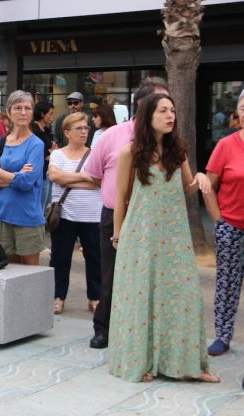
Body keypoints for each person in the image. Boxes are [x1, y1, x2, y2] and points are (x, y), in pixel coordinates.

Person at [109, 93, 218, 383]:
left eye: (172, 110)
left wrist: (203, 178)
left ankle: (188, 364)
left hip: (174, 237)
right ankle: (141, 362)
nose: (170, 115)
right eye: (163, 111)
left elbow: (187, 187)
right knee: (141, 297)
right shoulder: (129, 152)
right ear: (148, 116)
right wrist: (118, 235)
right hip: (140, 236)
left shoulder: (177, 150)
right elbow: (121, 197)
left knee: (182, 296)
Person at [84, 77, 169, 349]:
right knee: (112, 274)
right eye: (159, 104)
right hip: (115, 216)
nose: (167, 111)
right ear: (142, 105)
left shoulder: (169, 141)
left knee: (151, 277)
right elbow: (95, 174)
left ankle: (146, 332)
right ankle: (104, 328)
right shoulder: (113, 136)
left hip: (155, 219)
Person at [202, 90, 244, 356]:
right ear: (238, 112)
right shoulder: (226, 145)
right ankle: (223, 335)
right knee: (228, 283)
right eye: (243, 106)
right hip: (231, 225)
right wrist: (219, 222)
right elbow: (208, 186)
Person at [47, 112, 102, 315]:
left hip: (92, 215)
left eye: (86, 128)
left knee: (95, 258)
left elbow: (99, 182)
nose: (84, 132)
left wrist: (69, 179)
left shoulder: (95, 153)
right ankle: (57, 296)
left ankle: (95, 297)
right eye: (79, 128)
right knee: (60, 258)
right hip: (64, 215)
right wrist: (84, 177)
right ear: (67, 132)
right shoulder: (57, 154)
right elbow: (54, 176)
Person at [0, 90, 45, 265]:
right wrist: (16, 175)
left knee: (31, 276)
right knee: (9, 275)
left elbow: (26, 182)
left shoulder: (36, 144)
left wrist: (1, 172)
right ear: (9, 112)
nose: (23, 112)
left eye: (28, 108)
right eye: (18, 108)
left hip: (28, 218)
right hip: (2, 216)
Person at [32, 101, 56, 209]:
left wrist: (50, 154)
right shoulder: (34, 131)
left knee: (48, 205)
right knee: (41, 206)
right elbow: (39, 154)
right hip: (40, 173)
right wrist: (49, 154)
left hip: (48, 171)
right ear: (42, 114)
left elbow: (54, 147)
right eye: (50, 113)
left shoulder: (47, 130)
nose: (52, 117)